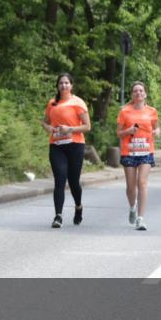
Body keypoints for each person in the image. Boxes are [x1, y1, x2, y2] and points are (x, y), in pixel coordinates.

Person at [40, 73, 91, 228]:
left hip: (75, 145)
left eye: (66, 83)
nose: (63, 86)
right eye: (61, 83)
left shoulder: (78, 102)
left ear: (71, 85)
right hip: (57, 146)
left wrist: (70, 129)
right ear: (57, 86)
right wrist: (48, 128)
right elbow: (46, 123)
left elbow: (87, 127)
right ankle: (58, 216)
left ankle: (78, 207)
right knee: (60, 179)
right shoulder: (52, 103)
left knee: (74, 181)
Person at [116, 81, 159, 231]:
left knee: (142, 182)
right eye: (135, 91)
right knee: (130, 186)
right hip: (129, 151)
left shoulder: (152, 111)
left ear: (145, 94)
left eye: (141, 91)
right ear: (132, 95)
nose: (138, 93)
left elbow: (156, 127)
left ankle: (140, 219)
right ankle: (132, 207)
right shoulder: (124, 111)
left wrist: (157, 131)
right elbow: (119, 133)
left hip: (146, 151)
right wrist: (128, 131)